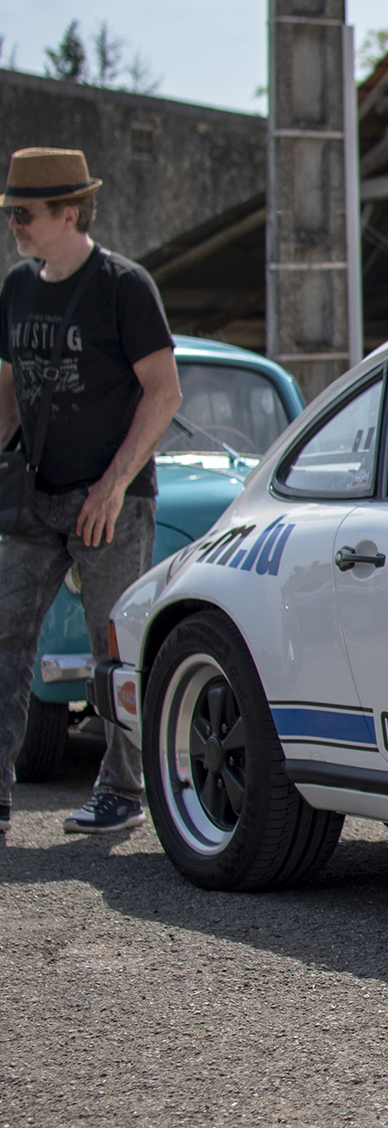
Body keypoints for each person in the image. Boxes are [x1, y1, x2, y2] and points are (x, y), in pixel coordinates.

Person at [0, 147, 181, 838]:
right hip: (35, 497)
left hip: (111, 499)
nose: (15, 223)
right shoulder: (17, 289)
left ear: (69, 212)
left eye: (26, 212)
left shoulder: (123, 285)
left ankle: (122, 789)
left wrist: (112, 487)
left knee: (116, 651)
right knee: (6, 639)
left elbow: (164, 395)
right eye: (12, 212)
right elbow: (8, 390)